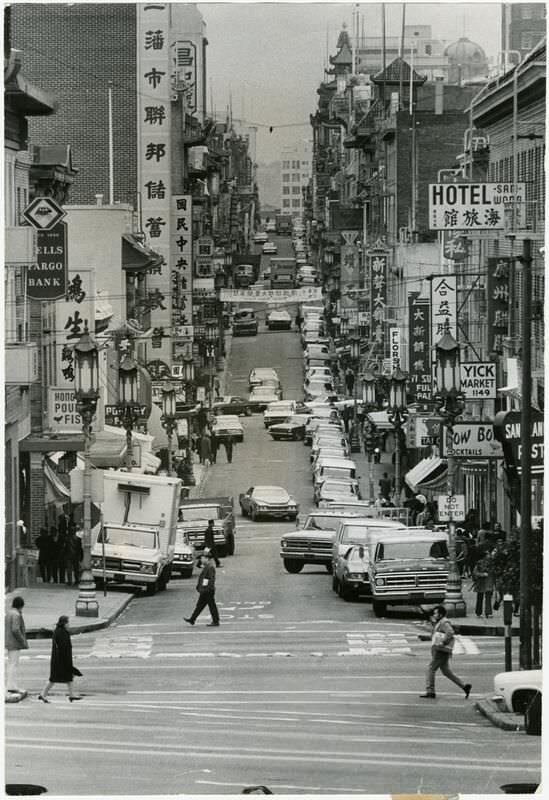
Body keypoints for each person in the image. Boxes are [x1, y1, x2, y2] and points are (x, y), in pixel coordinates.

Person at [421, 605, 471, 700]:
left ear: (440, 614)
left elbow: (450, 632)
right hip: (440, 649)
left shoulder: (444, 622)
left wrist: (443, 642)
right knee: (446, 671)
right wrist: (426, 638)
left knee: (430, 669)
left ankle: (430, 691)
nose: (434, 615)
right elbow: (437, 635)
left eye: (436, 613)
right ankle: (464, 686)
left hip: (441, 650)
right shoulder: (440, 622)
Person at [38, 615, 82, 702]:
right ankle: (43, 694)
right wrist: (67, 662)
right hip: (61, 660)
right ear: (64, 623)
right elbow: (63, 647)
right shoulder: (62, 633)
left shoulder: (59, 631)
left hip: (59, 660)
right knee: (54, 679)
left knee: (67, 677)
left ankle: (72, 695)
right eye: (68, 622)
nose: (69, 624)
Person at [184, 551, 220, 627]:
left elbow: (211, 580)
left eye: (202, 558)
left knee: (211, 605)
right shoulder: (207, 566)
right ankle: (192, 619)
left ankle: (216, 621)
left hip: (207, 590)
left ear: (207, 558)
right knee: (200, 605)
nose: (201, 560)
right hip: (205, 590)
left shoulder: (210, 567)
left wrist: (205, 589)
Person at [5, 596, 29, 695]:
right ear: (20, 606)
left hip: (8, 641)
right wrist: (22, 640)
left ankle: (11, 685)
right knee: (13, 664)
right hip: (14, 643)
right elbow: (15, 629)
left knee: (11, 664)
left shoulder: (9, 613)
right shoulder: (16, 615)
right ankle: (11, 686)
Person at [472, 554, 495, 618]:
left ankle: (488, 612)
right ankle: (479, 612)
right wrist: (482, 574)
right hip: (481, 583)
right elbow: (475, 572)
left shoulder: (492, 564)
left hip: (488, 583)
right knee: (480, 598)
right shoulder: (479, 563)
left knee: (488, 598)